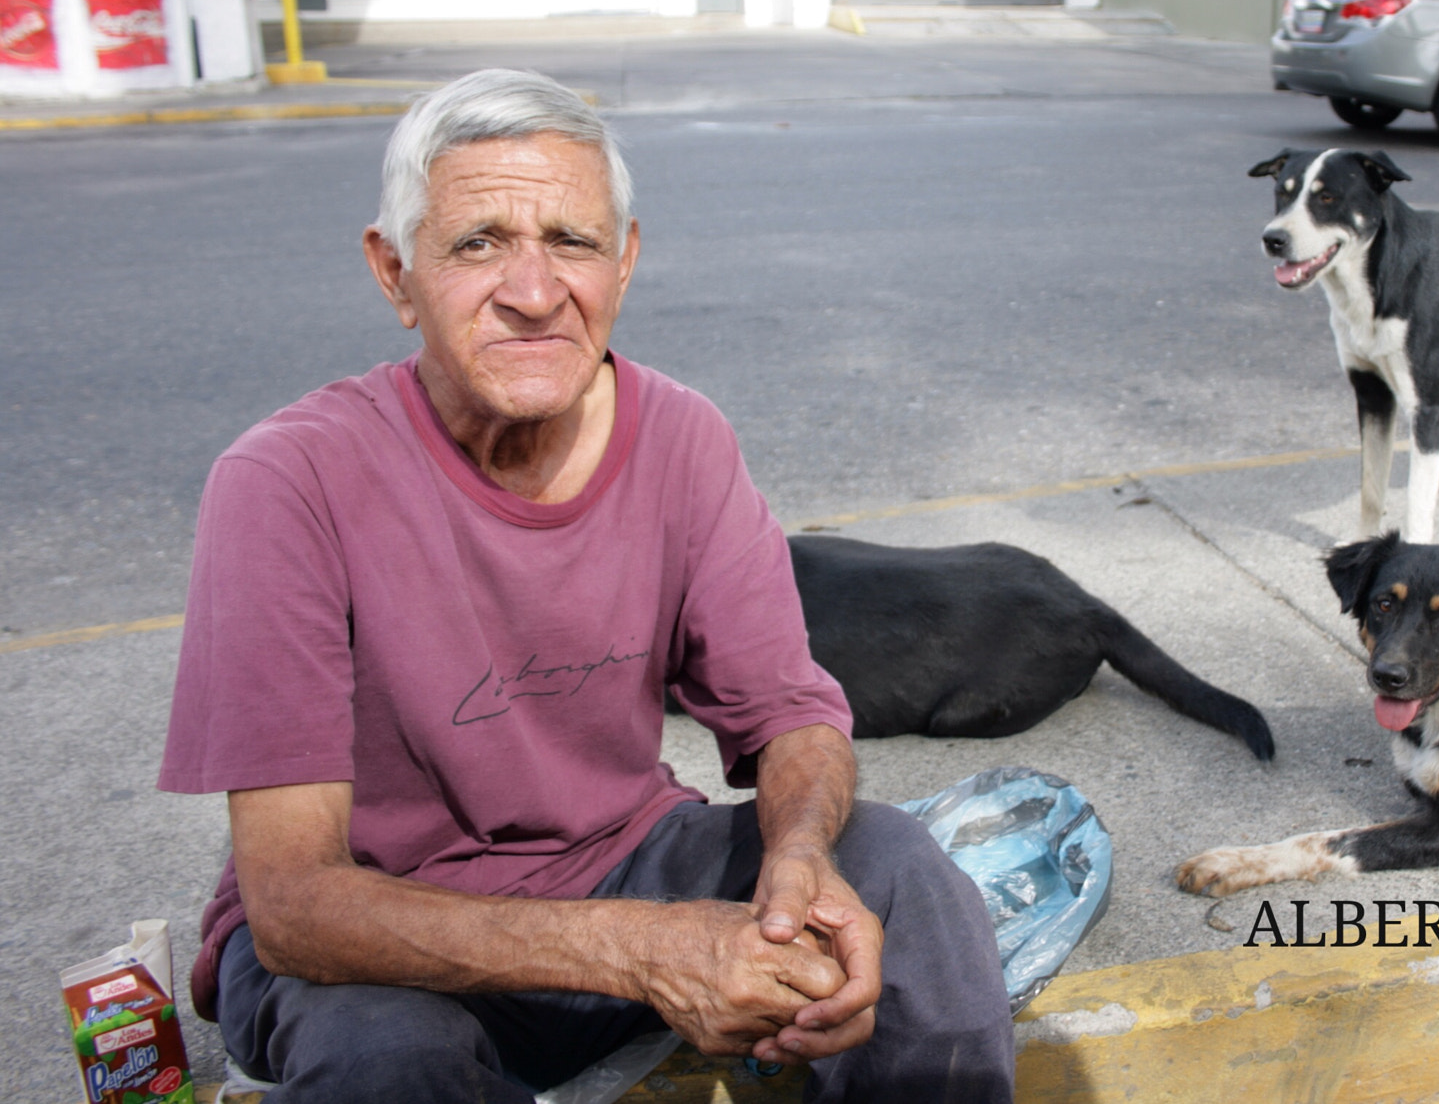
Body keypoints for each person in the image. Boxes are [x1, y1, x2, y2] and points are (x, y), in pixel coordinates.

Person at [156, 69, 1015, 1103]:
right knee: (384, 1063)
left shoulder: (683, 436)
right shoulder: (286, 480)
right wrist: (638, 947)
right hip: (383, 934)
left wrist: (795, 854)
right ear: (394, 274)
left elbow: (789, 712)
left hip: (619, 862)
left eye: (571, 240)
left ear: (625, 260)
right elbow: (295, 903)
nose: (532, 289)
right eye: (478, 243)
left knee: (891, 864)